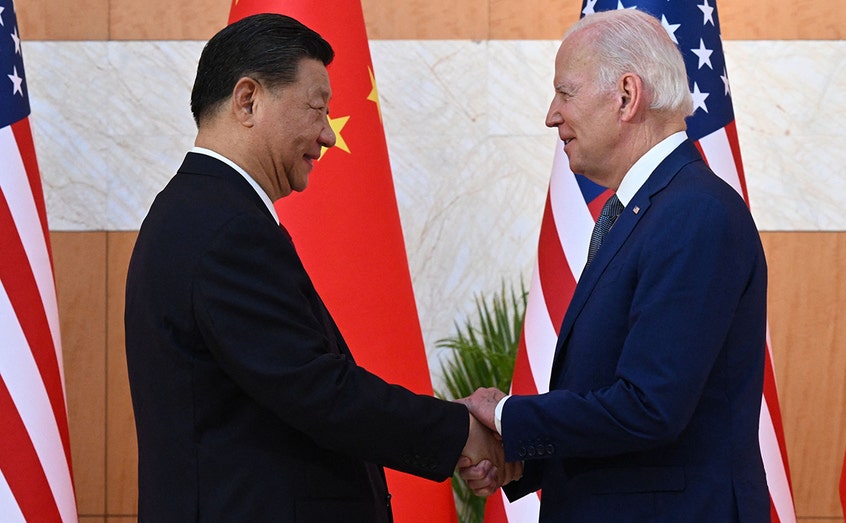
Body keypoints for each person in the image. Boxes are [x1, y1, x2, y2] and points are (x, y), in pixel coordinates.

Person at [124, 13, 501, 522]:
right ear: (248, 100)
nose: (327, 135)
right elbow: (318, 390)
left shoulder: (200, 211)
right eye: (317, 108)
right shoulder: (223, 227)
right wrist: (460, 432)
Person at [459, 9, 770, 522]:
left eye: (565, 93)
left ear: (627, 96)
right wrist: (523, 459)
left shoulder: (695, 213)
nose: (552, 115)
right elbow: (613, 394)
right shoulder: (647, 210)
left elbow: (651, 407)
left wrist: (507, 416)